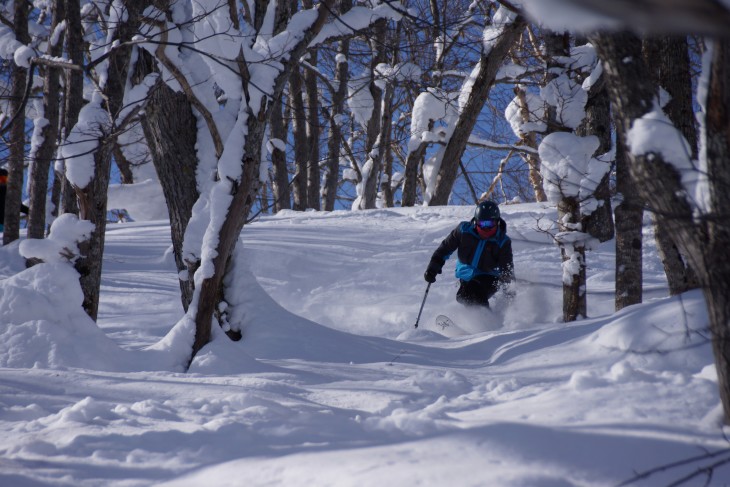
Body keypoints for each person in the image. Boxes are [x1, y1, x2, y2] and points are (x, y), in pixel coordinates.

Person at [424, 200, 514, 308]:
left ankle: (485, 320)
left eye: (490, 224)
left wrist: (510, 295)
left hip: (490, 277)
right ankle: (472, 322)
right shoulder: (463, 231)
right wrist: (433, 267)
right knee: (463, 296)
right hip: (466, 275)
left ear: (497, 222)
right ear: (476, 222)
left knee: (474, 292)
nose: (486, 228)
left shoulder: (502, 242)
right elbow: (444, 249)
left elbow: (507, 269)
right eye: (482, 223)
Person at [0, 168, 29, 233]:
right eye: (0, 179)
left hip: (6, 225)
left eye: (4, 179)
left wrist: (29, 211)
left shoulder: (10, 192)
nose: (2, 181)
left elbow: (18, 206)